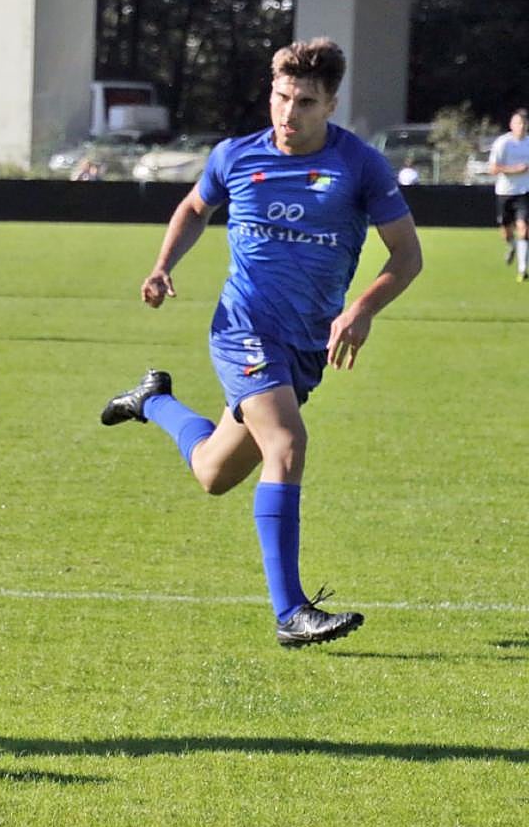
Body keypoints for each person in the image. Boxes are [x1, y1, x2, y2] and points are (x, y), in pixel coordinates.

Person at [100, 38, 422, 648]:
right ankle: (291, 612)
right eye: (280, 97)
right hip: (243, 330)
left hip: (304, 345)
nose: (288, 112)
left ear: (330, 104)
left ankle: (152, 400)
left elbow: (407, 255)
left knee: (214, 472)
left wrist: (361, 307)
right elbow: (196, 207)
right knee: (288, 442)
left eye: (304, 101)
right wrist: (164, 264)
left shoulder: (359, 165)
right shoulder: (235, 156)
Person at [488, 108, 529, 280]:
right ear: (511, 125)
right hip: (505, 192)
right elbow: (492, 169)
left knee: (524, 228)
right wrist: (515, 170)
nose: (521, 126)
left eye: (524, 123)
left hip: (524, 192)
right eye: (518, 123)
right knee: (506, 231)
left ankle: (522, 269)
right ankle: (512, 246)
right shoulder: (502, 143)